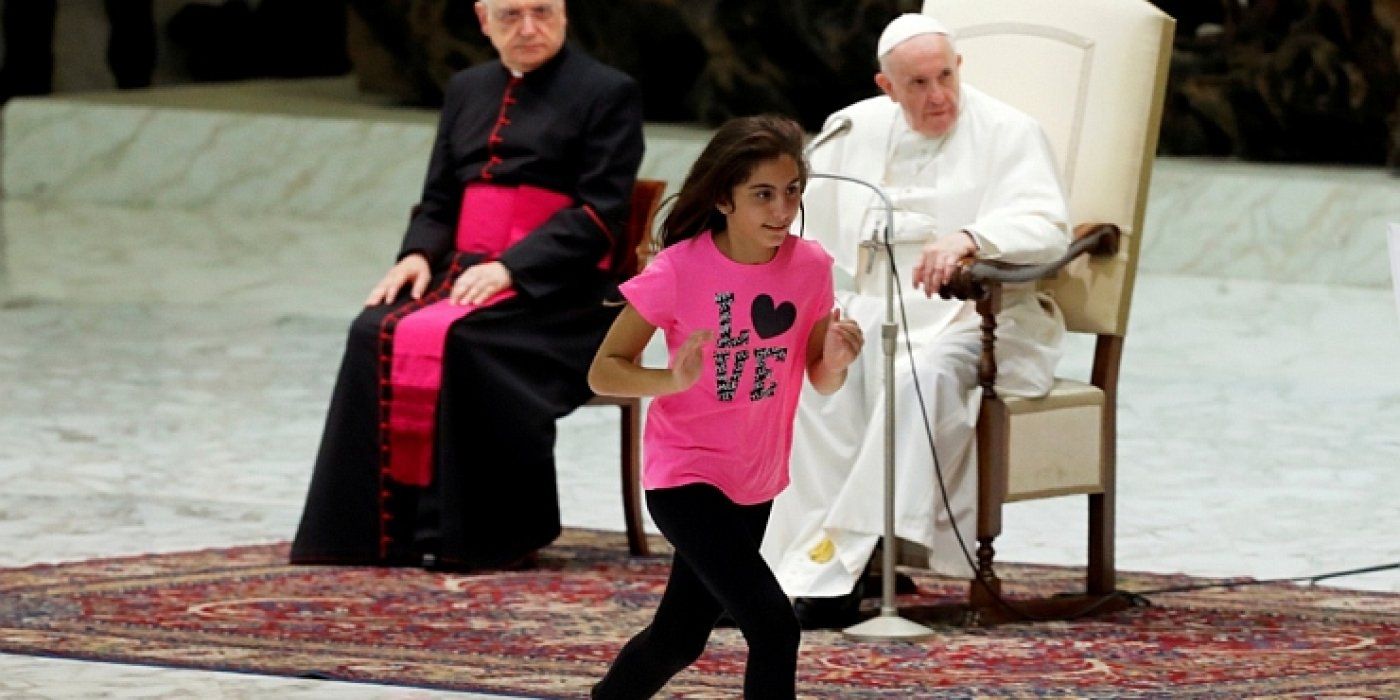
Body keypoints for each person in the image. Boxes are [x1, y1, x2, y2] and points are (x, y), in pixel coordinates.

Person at [289, 0, 645, 571]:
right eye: (510, 16)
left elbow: (601, 210)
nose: (528, 28)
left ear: (565, 13)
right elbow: (439, 198)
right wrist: (415, 254)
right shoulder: (466, 89)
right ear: (483, 20)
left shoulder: (608, 91)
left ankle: (485, 536)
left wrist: (514, 267)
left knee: (468, 341)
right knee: (370, 329)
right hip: (462, 273)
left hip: (560, 290)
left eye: (542, 12)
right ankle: (377, 535)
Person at [759, 13, 1071, 628]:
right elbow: (799, 214)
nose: (939, 96)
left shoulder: (1010, 131)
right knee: (810, 377)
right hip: (878, 310)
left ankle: (838, 571)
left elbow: (1048, 225)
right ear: (887, 86)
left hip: (979, 319)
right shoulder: (853, 129)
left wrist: (972, 237)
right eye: (919, 84)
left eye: (946, 77)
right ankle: (782, 570)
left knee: (916, 380)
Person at [588, 115, 863, 699]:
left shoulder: (811, 266)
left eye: (791, 191)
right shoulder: (678, 269)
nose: (782, 210)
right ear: (723, 199)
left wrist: (836, 361)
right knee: (774, 625)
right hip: (684, 476)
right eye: (763, 194)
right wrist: (672, 378)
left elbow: (819, 378)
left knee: (679, 639)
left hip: (754, 478)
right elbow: (604, 370)